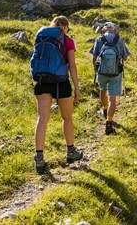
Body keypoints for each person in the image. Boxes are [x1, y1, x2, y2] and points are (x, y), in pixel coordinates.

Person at [33, 15, 82, 173]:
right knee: (66, 117)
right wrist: (77, 88)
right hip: (61, 82)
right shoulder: (67, 41)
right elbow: (72, 65)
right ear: (65, 27)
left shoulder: (41, 36)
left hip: (42, 80)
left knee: (42, 119)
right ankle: (70, 151)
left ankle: (39, 159)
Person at [90, 22, 130, 135]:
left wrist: (95, 68)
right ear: (113, 30)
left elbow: (94, 56)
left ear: (104, 30)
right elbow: (125, 57)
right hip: (115, 72)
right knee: (113, 99)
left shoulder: (99, 39)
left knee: (103, 90)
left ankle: (104, 109)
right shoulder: (119, 39)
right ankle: (109, 122)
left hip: (102, 72)